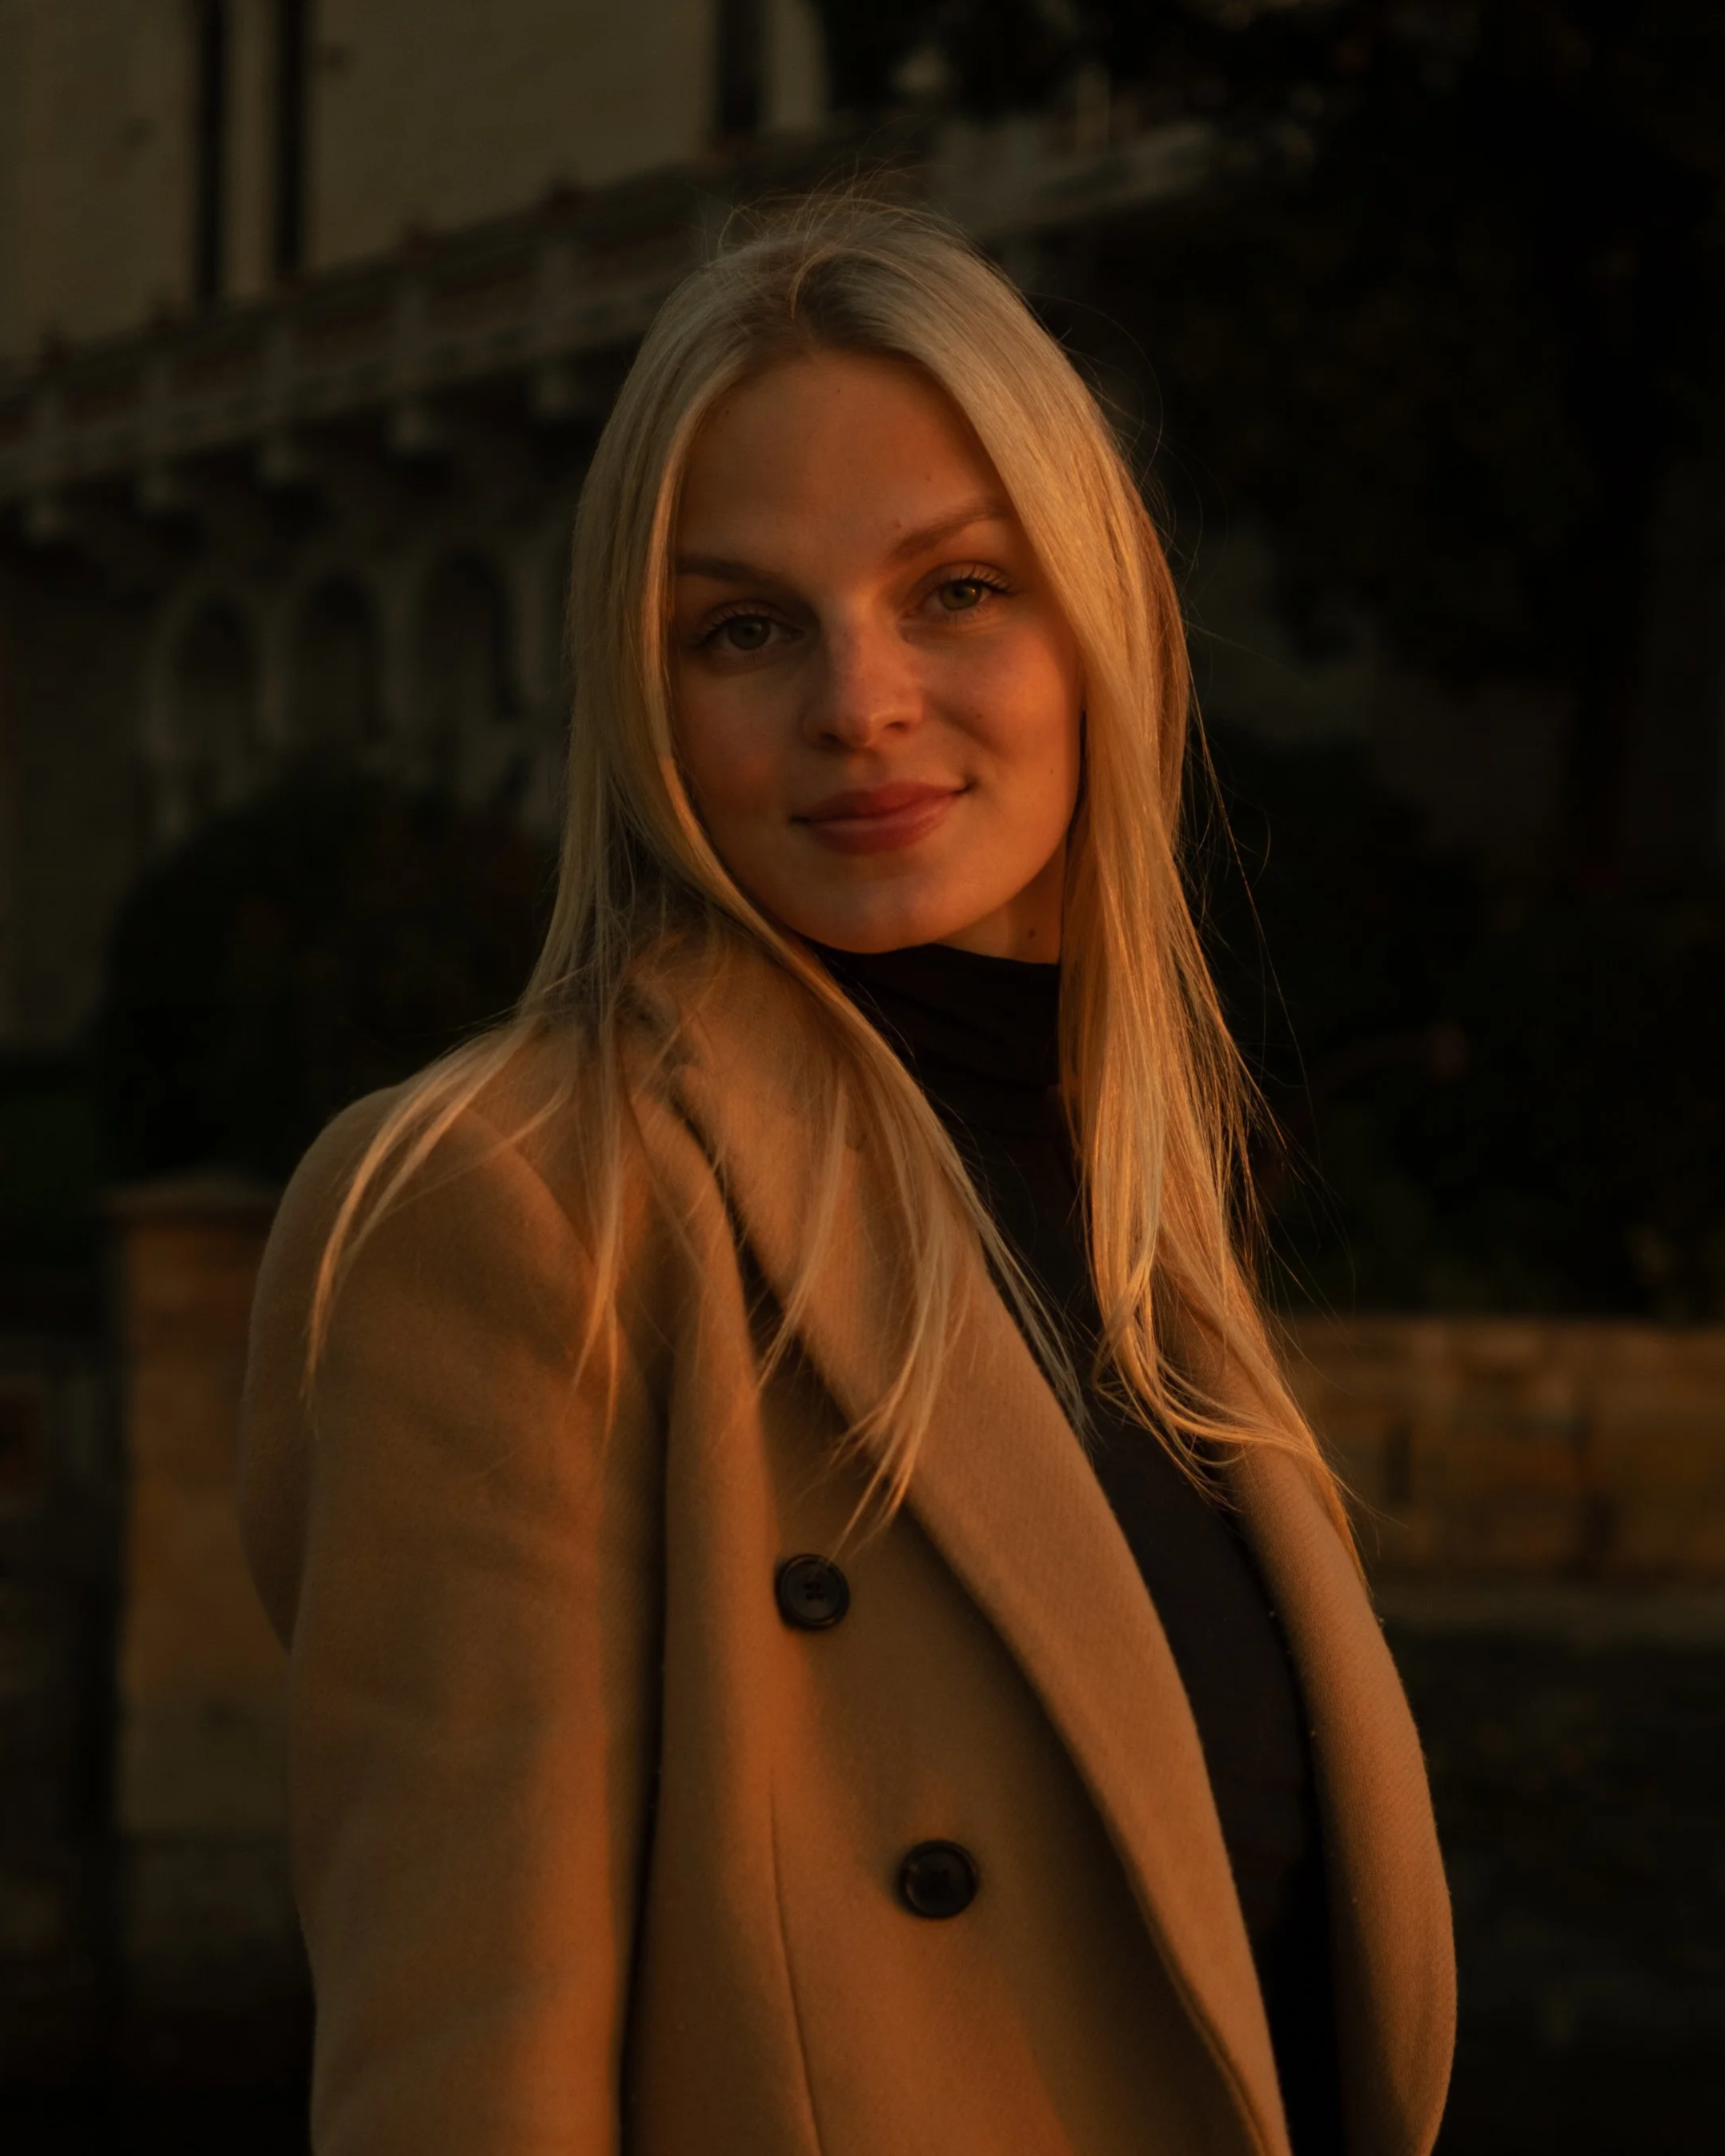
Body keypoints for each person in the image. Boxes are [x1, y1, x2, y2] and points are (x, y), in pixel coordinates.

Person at [239, 197, 1454, 2156]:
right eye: (744, 628)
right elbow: (461, 2080)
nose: (859, 703)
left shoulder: (1138, 1212)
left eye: (955, 592)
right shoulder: (520, 1205)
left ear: (1102, 617)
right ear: (647, 708)